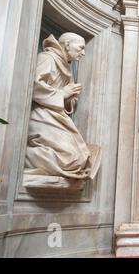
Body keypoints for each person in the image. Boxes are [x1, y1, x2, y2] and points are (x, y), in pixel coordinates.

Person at [25, 33, 96, 180]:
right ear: (68, 44)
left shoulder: (66, 66)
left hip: (56, 115)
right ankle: (22, 154)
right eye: (81, 48)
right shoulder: (47, 58)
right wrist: (62, 94)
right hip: (41, 115)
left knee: (81, 158)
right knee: (71, 157)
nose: (83, 53)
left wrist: (69, 97)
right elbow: (33, 86)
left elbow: (63, 99)